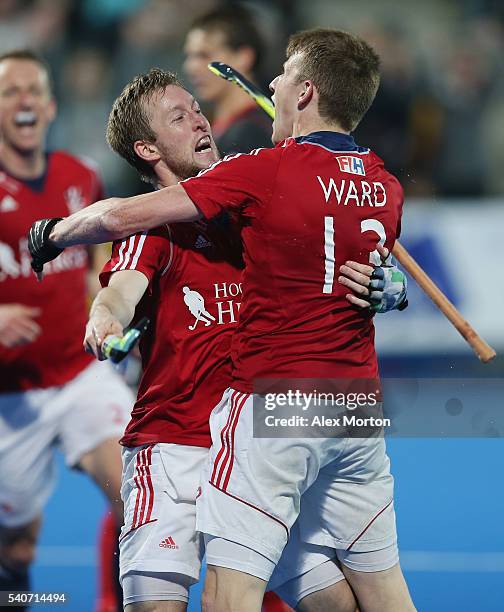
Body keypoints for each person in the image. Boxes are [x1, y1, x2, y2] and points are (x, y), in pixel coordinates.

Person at [28, 29, 414, 611]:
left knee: (333, 604)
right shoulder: (160, 226)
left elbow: (344, 249)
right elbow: (119, 283)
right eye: (179, 118)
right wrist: (103, 318)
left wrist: (393, 285)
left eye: (199, 111)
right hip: (178, 446)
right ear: (149, 151)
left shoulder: (257, 189)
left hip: (263, 438)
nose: (202, 122)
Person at [0, 49, 133, 606]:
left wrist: (107, 309)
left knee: (136, 498)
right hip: (11, 399)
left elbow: (100, 267)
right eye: (11, 91)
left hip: (81, 376)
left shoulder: (81, 178)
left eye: (34, 90)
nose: (24, 100)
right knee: (18, 551)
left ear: (51, 106)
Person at [183, 5, 273, 156]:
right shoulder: (218, 126)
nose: (190, 67)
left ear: (243, 57)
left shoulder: (250, 134)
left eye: (203, 55)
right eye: (189, 56)